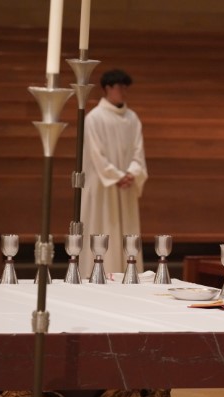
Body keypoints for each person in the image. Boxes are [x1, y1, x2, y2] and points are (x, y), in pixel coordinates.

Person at [79, 69, 148, 277]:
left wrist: (131, 174)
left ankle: (128, 275)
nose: (124, 91)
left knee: (126, 232)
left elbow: (139, 151)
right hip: (103, 188)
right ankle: (98, 274)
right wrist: (117, 176)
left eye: (126, 87)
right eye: (120, 87)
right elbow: (96, 154)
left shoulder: (132, 118)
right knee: (104, 227)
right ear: (107, 88)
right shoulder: (94, 118)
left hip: (125, 186)